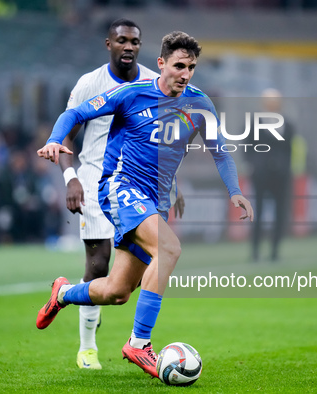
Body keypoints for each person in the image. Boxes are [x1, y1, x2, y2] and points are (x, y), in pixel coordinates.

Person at [36, 31, 253, 378]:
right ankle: (139, 344)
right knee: (169, 249)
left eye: (192, 67)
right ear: (161, 64)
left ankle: (62, 294)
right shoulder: (131, 94)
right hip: (120, 188)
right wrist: (54, 140)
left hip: (154, 201)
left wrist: (234, 190)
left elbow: (221, 151)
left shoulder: (200, 104)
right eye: (179, 65)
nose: (185, 74)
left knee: (117, 291)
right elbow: (75, 114)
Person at [58, 18, 161, 370]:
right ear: (109, 44)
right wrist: (71, 178)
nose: (128, 46)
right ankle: (88, 347)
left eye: (134, 41)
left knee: (123, 286)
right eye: (122, 41)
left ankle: (87, 300)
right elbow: (64, 133)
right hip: (92, 181)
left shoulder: (152, 82)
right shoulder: (90, 83)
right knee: (98, 264)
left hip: (137, 185)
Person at [245, 89, 294, 262]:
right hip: (261, 174)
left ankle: (275, 250)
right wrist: (254, 166)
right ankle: (255, 250)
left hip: (281, 175)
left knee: (279, 213)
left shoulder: (287, 124)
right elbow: (248, 146)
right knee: (257, 212)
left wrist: (286, 168)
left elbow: (290, 150)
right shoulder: (255, 122)